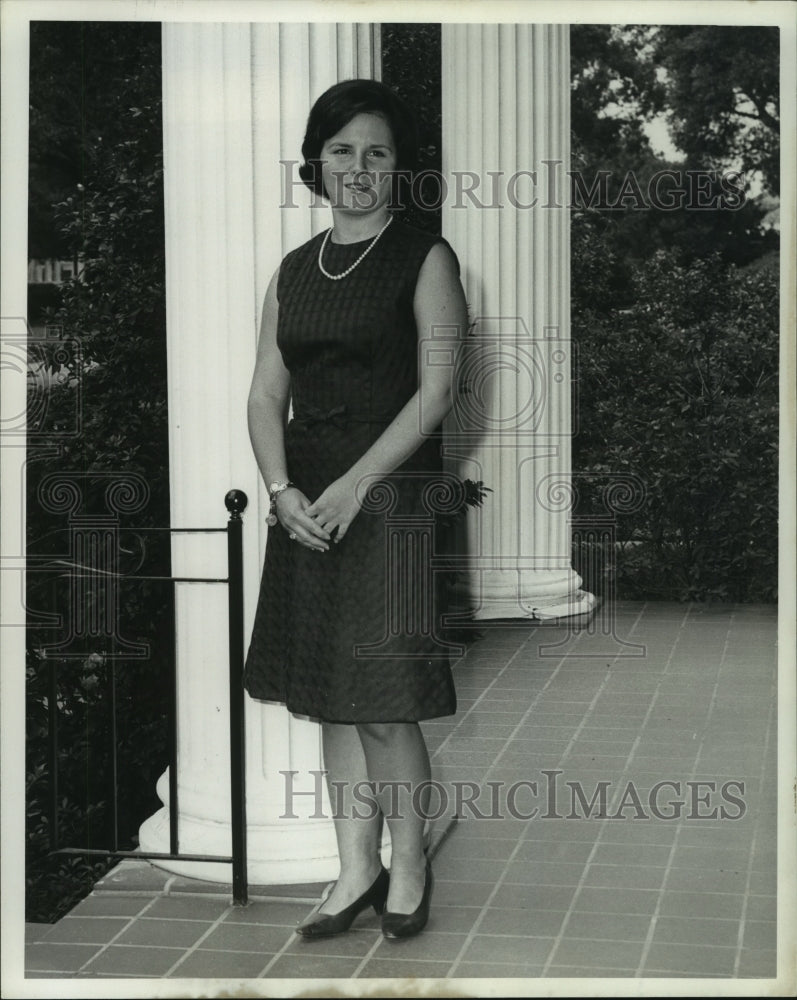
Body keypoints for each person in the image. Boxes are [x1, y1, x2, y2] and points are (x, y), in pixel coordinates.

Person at [243, 78, 468, 940]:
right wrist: (282, 492)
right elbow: (265, 395)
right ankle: (353, 871)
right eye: (341, 150)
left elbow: (436, 393)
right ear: (316, 162)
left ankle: (409, 865)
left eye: (376, 152)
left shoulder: (425, 257)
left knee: (383, 700)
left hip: (387, 498)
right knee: (332, 698)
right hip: (306, 503)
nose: (358, 167)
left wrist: (353, 486)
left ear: (397, 167)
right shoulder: (293, 272)